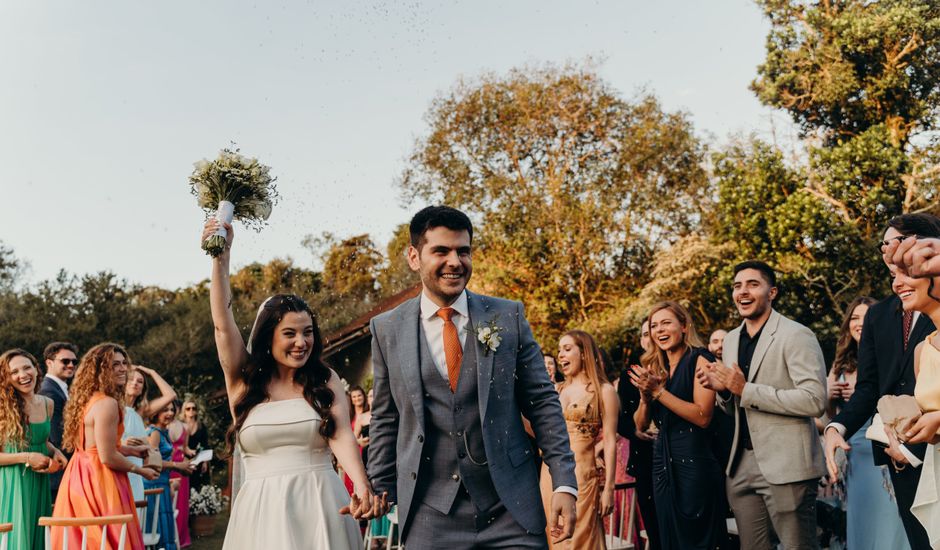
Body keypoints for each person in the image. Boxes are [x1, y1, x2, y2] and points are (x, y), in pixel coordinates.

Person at [367, 206, 577, 550]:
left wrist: (564, 483)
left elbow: (542, 402)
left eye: (463, 251)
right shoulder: (387, 329)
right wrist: (378, 487)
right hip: (429, 515)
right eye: (441, 251)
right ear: (413, 257)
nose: (455, 261)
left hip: (511, 510)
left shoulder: (507, 316)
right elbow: (386, 417)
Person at [203, 219, 382, 550]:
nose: (301, 342)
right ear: (268, 337)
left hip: (321, 501)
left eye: (308, 332)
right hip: (261, 509)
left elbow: (341, 434)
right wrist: (221, 258)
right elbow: (222, 325)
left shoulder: (324, 378)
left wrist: (360, 485)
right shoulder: (243, 381)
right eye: (290, 333)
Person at [824, 214, 940, 550]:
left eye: (897, 241)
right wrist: (837, 427)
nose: (887, 248)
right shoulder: (880, 316)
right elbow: (871, 387)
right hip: (898, 454)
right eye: (884, 244)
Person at [698, 260, 827, 550]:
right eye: (737, 286)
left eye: (752, 284)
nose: (742, 291)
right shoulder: (730, 340)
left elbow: (815, 399)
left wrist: (745, 389)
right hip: (740, 465)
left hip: (788, 465)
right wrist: (725, 392)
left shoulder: (797, 335)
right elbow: (737, 404)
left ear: (772, 292)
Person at [630, 302, 726, 550]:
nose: (659, 330)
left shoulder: (700, 358)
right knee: (669, 538)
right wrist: (645, 397)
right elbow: (640, 426)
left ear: (684, 327)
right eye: (653, 325)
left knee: (696, 539)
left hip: (695, 462)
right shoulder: (657, 367)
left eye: (666, 323)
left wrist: (659, 392)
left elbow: (703, 416)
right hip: (662, 463)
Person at [52, 343, 157, 550]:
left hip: (78, 475)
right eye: (114, 364)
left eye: (124, 363)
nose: (122, 369)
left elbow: (95, 445)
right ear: (100, 370)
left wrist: (132, 451)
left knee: (84, 539)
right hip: (101, 479)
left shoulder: (87, 400)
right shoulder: (107, 403)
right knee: (108, 538)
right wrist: (140, 470)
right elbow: (107, 456)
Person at [826, 296, 911, 550]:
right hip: (854, 453)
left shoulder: (892, 355)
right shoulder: (840, 362)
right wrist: (829, 395)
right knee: (861, 521)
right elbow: (828, 416)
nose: (860, 323)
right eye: (854, 318)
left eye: (866, 317)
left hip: (885, 446)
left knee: (889, 521)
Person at [540, 330, 618, 550]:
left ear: (584, 353)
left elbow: (610, 441)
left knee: (580, 541)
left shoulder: (604, 391)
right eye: (559, 351)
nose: (560, 355)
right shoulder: (555, 390)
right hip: (549, 476)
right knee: (553, 538)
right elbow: (539, 433)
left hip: (582, 477)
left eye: (567, 349)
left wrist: (609, 489)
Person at [887, 257, 940, 542]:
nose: (897, 283)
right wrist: (908, 429)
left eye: (907, 273)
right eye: (894, 275)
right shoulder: (923, 349)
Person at [0, 349, 67, 550]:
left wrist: (54, 451)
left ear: (36, 369)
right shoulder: (2, 407)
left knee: (38, 540)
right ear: (6, 378)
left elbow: (41, 441)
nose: (23, 375)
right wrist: (27, 456)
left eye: (27, 367)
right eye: (14, 372)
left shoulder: (48, 404)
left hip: (39, 483)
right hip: (11, 484)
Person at [616, 319, 661, 550]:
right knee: (654, 527)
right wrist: (635, 432)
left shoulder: (676, 367)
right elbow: (620, 420)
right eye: (644, 334)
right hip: (645, 456)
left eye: (652, 332)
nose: (649, 338)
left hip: (679, 453)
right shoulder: (629, 375)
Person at [124, 365, 177, 502]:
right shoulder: (111, 406)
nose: (135, 383)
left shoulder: (142, 412)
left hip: (137, 471)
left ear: (143, 388)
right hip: (119, 466)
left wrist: (151, 372)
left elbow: (171, 395)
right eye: (131, 379)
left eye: (140, 381)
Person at [145, 401, 194, 550]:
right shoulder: (154, 433)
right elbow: (151, 462)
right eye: (165, 410)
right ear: (156, 413)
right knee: (158, 531)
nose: (170, 413)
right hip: (154, 485)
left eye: (172, 410)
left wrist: (182, 469)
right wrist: (177, 466)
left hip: (163, 484)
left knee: (165, 530)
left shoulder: (164, 432)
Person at [38, 341, 78, 500]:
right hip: (59, 473)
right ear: (49, 362)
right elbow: (56, 436)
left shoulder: (61, 389)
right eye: (65, 361)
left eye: (74, 362)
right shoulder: (49, 391)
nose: (71, 365)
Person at [168, 401, 193, 548]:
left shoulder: (185, 427)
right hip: (169, 466)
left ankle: (181, 537)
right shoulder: (163, 425)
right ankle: (170, 535)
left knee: (181, 503)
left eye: (174, 408)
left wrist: (191, 453)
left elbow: (184, 448)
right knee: (170, 501)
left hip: (181, 467)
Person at [181, 399, 210, 490]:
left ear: (196, 411)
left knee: (198, 487)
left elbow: (205, 444)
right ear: (184, 411)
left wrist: (205, 462)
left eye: (193, 408)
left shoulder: (201, 426)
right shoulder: (180, 425)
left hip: (199, 459)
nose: (191, 411)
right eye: (188, 408)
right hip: (184, 459)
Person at [351, 386, 372, 467]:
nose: (357, 398)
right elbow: (351, 439)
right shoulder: (352, 416)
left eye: (359, 395)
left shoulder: (369, 413)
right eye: (354, 396)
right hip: (360, 450)